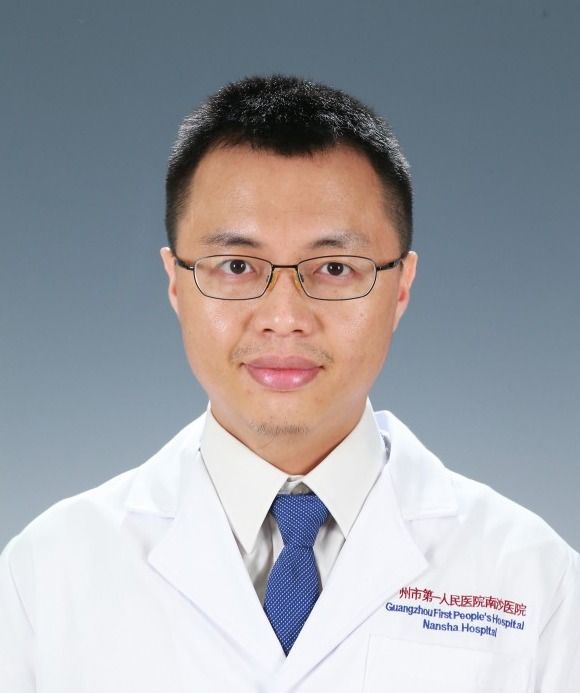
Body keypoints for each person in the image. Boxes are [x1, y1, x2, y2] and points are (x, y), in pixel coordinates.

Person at [1, 75, 578, 693]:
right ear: (175, 282)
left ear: (401, 288)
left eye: (334, 267)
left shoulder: (534, 581)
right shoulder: (48, 574)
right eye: (236, 265)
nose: (283, 316)